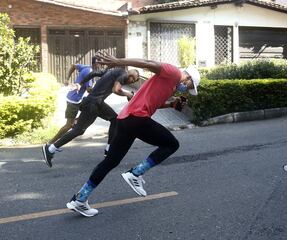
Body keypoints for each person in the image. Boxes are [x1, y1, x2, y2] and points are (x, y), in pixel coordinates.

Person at [66, 54, 201, 217]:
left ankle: (80, 199)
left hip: (126, 119)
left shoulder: (170, 86)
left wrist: (172, 104)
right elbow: (147, 63)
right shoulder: (173, 72)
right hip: (136, 118)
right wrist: (119, 62)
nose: (186, 88)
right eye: (189, 85)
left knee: (111, 161)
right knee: (172, 144)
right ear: (187, 76)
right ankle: (136, 173)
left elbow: (154, 104)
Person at [42, 66, 140, 168]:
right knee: (79, 130)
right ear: (131, 75)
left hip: (97, 103)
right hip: (92, 104)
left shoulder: (113, 72)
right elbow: (116, 89)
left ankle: (108, 150)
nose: (132, 82)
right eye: (134, 79)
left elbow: (94, 73)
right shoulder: (123, 74)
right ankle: (50, 149)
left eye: (135, 81)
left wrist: (80, 83)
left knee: (114, 119)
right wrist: (127, 94)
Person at [47, 57, 98, 145]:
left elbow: (73, 66)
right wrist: (100, 86)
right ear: (96, 64)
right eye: (101, 63)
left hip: (77, 99)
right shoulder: (90, 72)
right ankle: (50, 143)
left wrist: (67, 78)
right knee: (68, 125)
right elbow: (89, 90)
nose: (102, 65)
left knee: (91, 108)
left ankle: (76, 121)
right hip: (73, 101)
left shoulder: (86, 67)